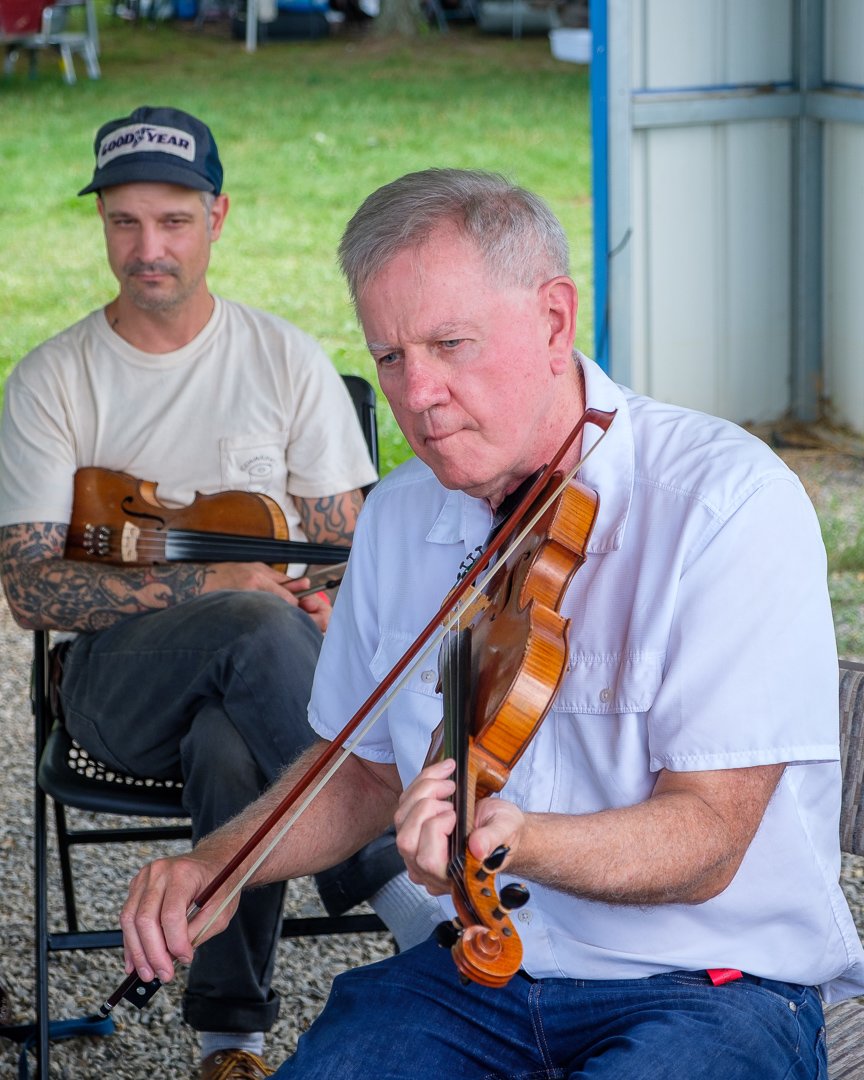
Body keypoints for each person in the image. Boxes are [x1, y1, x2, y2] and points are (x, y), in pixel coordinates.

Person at [116, 168, 864, 1079]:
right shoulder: (399, 514)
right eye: (389, 356)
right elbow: (360, 768)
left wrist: (512, 839)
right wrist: (220, 863)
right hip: (479, 976)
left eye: (450, 344)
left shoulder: (723, 502)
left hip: (710, 984)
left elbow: (708, 837)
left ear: (555, 319)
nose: (417, 392)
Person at [0, 109, 442, 1080]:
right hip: (118, 688)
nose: (147, 248)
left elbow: (346, 550)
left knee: (232, 735)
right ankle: (403, 895)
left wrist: (324, 597)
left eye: (172, 220)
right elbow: (31, 587)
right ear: (103, 224)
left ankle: (228, 1039)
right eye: (124, 222)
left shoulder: (280, 359)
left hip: (267, 678)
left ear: (218, 216)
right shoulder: (52, 381)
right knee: (249, 621)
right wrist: (217, 584)